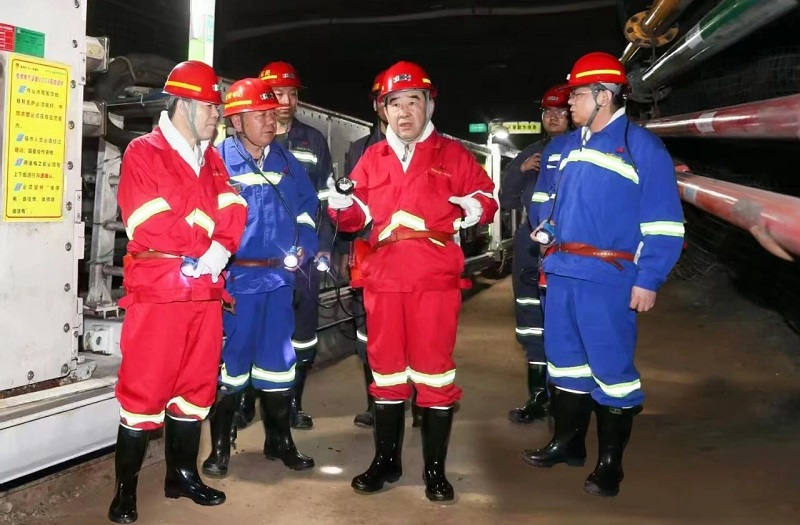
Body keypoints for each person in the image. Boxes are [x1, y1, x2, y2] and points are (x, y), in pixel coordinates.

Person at [327, 61, 498, 502]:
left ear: (428, 106)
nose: (404, 112)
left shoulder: (451, 154)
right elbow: (355, 219)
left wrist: (473, 208)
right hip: (384, 281)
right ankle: (386, 462)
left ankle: (434, 471)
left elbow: (486, 196)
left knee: (435, 374)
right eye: (395, 104)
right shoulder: (372, 158)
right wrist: (341, 204)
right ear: (383, 111)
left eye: (413, 102)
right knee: (385, 372)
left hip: (433, 281)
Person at [520, 52, 684, 497]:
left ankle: (610, 464)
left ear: (604, 96)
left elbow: (664, 223)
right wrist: (544, 226)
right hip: (560, 272)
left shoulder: (642, 148)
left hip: (609, 277)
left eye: (577, 95)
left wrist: (649, 278)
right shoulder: (562, 148)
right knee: (564, 364)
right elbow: (543, 198)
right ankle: (568, 443)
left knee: (612, 370)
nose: (569, 103)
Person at [109, 60, 247, 523]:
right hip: (160, 296)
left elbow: (234, 206)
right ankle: (125, 491)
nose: (217, 115)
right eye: (210, 107)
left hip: (203, 294)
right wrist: (205, 247)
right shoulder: (143, 152)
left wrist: (222, 248)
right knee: (144, 391)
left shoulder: (211, 159)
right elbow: (146, 219)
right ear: (183, 105)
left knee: (196, 388)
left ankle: (181, 476)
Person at [200, 78, 318, 479]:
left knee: (279, 364)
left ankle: (279, 441)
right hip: (236, 283)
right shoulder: (216, 161)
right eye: (260, 115)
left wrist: (305, 246)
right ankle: (220, 447)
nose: (271, 121)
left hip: (279, 281)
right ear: (236, 121)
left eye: (272, 114)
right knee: (230, 365)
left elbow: (307, 210)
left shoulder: (286, 162)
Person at [259, 61, 335, 429]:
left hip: (304, 254)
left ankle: (294, 404)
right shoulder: (249, 138)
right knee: (257, 327)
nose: (287, 101)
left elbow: (326, 198)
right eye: (278, 94)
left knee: (303, 332)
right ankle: (247, 404)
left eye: (292, 94)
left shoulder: (314, 140)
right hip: (260, 257)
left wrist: (324, 245)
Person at [499, 84, 570, 425]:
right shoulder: (530, 154)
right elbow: (506, 199)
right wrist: (520, 170)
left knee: (567, 323)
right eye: (547, 112)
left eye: (560, 111)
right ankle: (539, 397)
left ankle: (567, 398)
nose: (553, 117)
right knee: (531, 325)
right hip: (530, 247)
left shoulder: (583, 150)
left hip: (569, 249)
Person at [342, 69, 386, 429]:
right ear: (377, 106)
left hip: (409, 256)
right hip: (369, 255)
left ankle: (420, 400)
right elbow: (349, 206)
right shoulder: (359, 150)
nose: (396, 109)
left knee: (413, 330)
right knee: (367, 330)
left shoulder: (426, 150)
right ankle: (376, 402)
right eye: (387, 101)